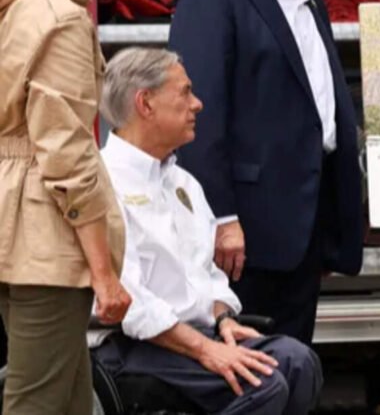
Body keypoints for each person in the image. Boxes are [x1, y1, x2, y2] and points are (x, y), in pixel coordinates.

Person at [168, 0, 365, 343]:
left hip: (303, 224)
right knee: (246, 369)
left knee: (291, 363)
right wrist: (219, 217)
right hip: (247, 234)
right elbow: (196, 117)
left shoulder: (309, 2)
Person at [93, 47, 322, 414]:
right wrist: (207, 350)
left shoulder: (183, 182)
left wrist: (223, 319)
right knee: (261, 386)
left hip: (197, 334)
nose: (198, 104)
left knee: (298, 361)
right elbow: (129, 302)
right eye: (185, 92)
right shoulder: (102, 183)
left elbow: (208, 274)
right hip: (134, 346)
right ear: (145, 104)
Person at [0, 0, 131, 413]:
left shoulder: (8, 11)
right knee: (36, 402)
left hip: (10, 230)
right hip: (46, 240)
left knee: (71, 397)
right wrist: (104, 274)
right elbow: (68, 154)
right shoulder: (57, 17)